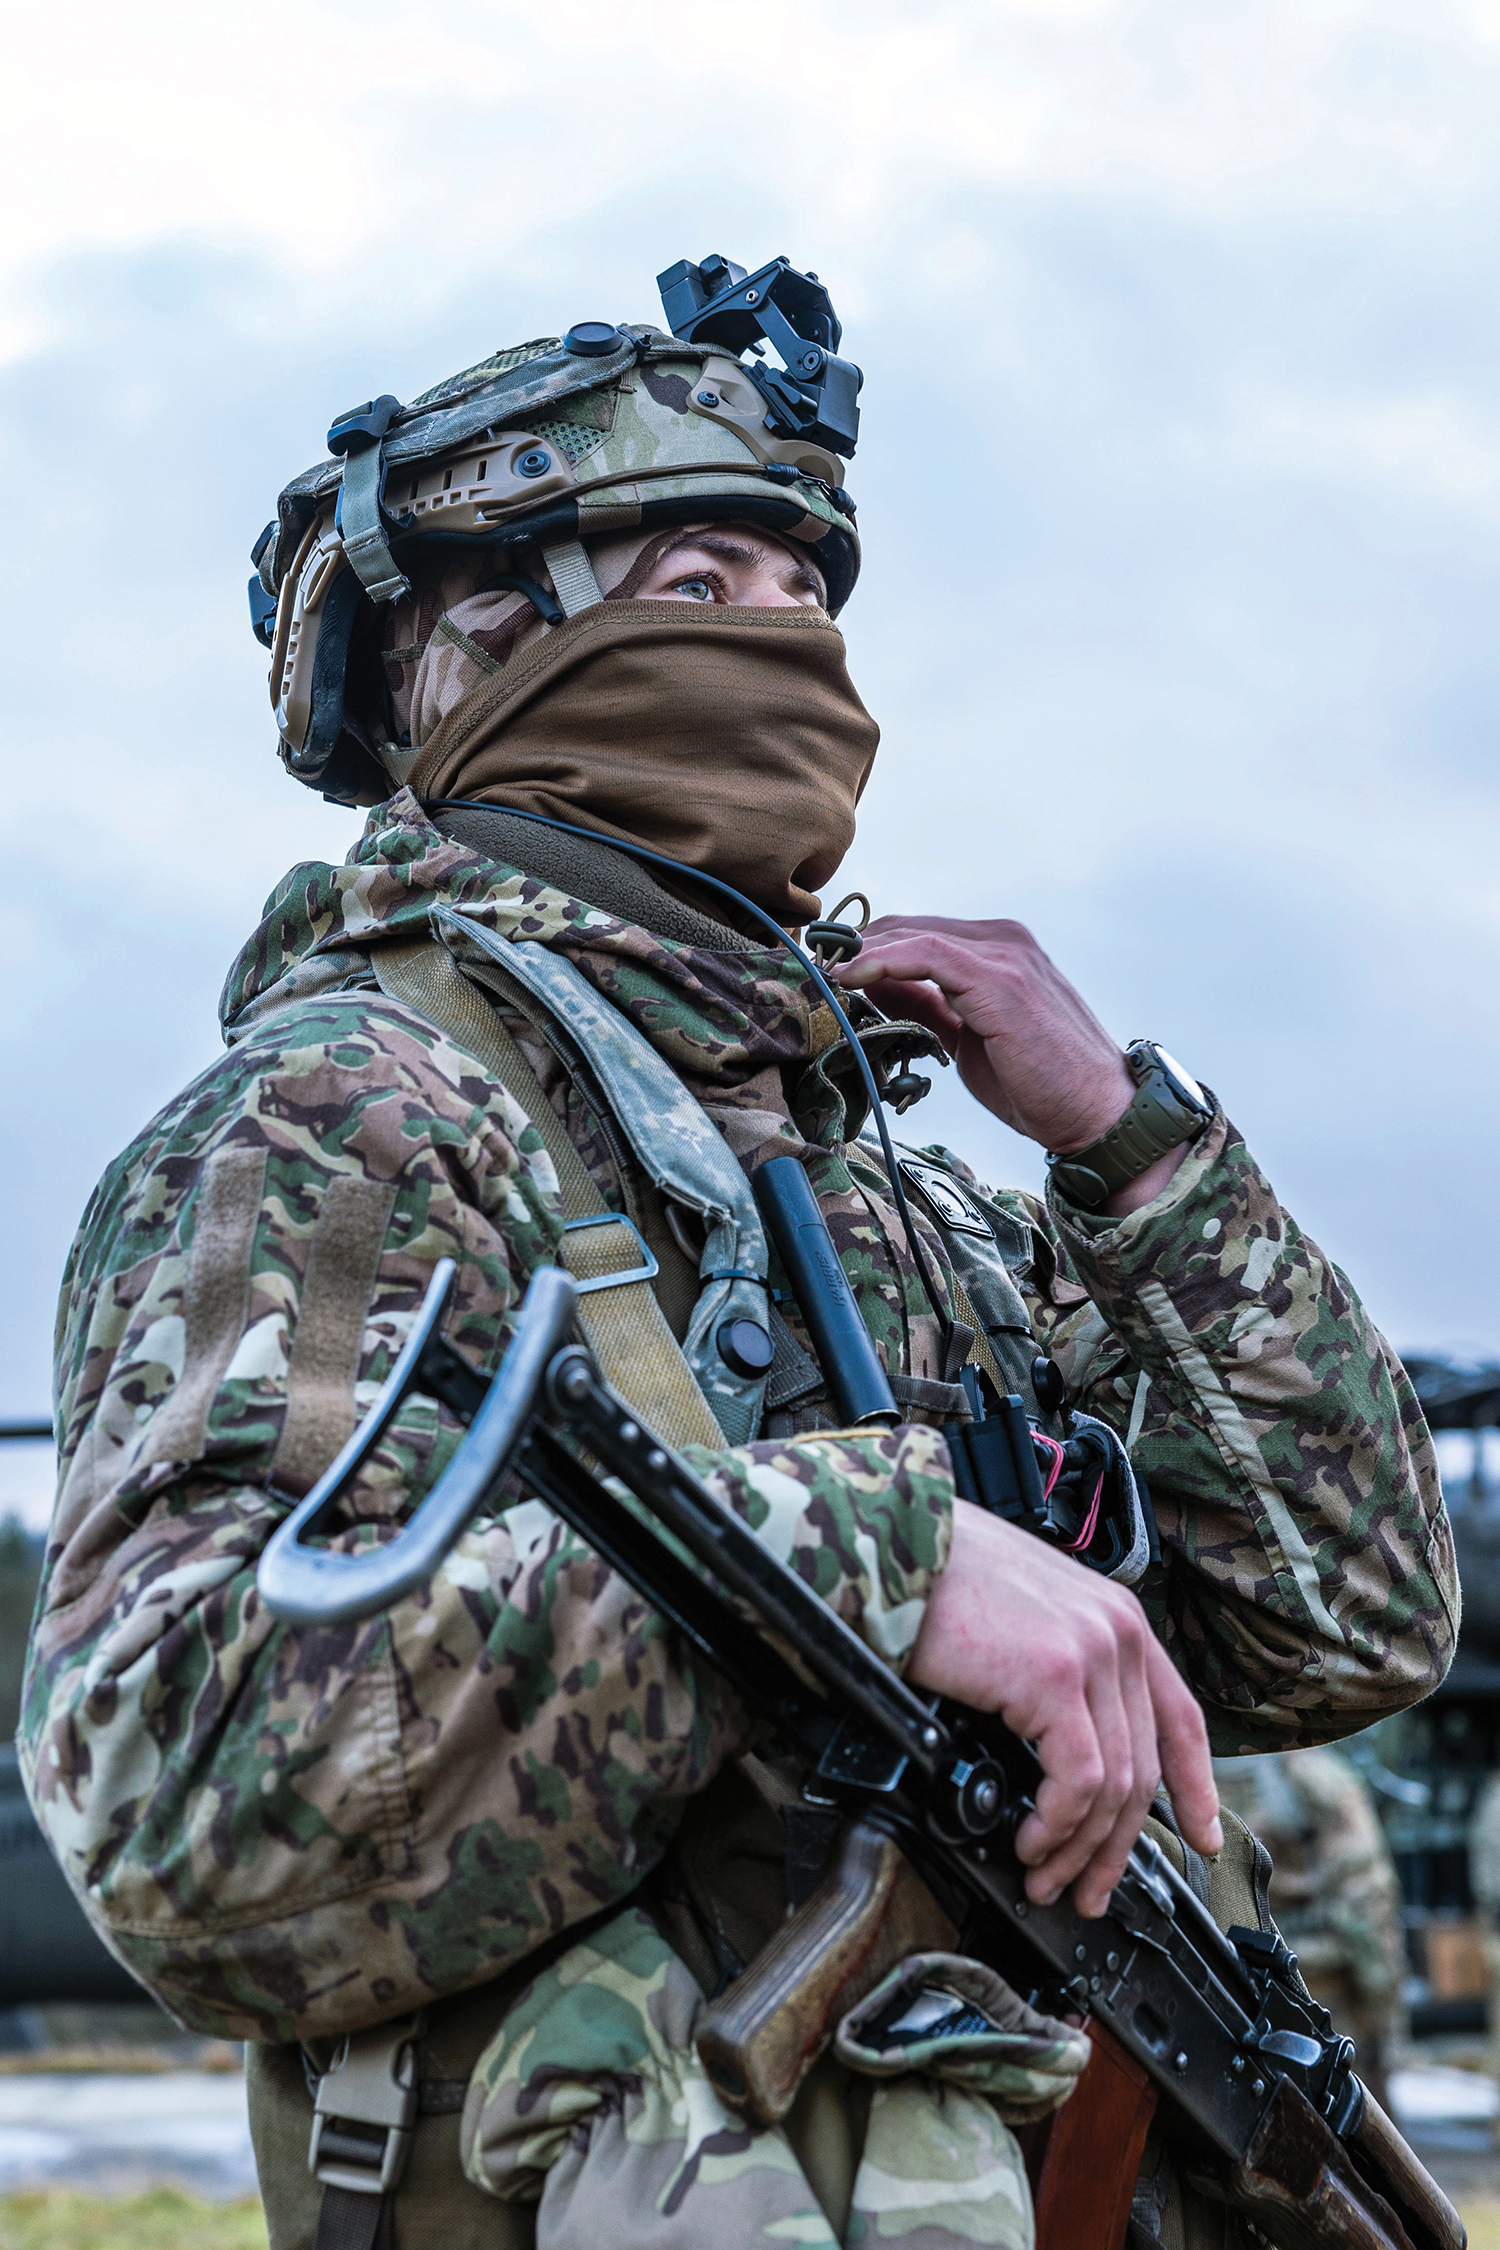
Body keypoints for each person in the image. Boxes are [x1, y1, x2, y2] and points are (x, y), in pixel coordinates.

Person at [19, 264, 1457, 2250]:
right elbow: (184, 1800)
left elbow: (1347, 1621)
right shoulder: (352, 1119)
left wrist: (1131, 1151)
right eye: (701, 598)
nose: (791, 662)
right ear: (473, 655)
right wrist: (879, 1560)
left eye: (810, 609)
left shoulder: (893, 1178)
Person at [1213, 1748, 1407, 2117]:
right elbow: (1366, 1901)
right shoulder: (1315, 1775)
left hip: (1222, 1988)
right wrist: (1382, 2005)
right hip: (1321, 1997)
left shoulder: (1173, 1760)